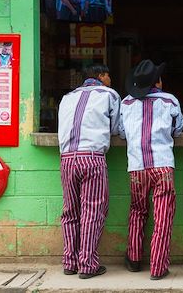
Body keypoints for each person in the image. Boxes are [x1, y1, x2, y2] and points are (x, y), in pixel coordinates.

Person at [119, 60, 183, 280]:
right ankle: (158, 267)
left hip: (136, 167)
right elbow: (178, 130)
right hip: (162, 165)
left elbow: (122, 133)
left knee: (138, 211)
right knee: (163, 216)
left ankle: (134, 259)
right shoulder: (170, 100)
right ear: (158, 81)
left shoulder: (126, 103)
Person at [57, 64, 120, 279]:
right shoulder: (109, 94)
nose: (110, 79)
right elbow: (115, 129)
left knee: (70, 212)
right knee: (92, 212)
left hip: (67, 159)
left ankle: (69, 262)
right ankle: (87, 265)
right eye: (108, 74)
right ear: (101, 76)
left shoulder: (67, 97)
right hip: (92, 158)